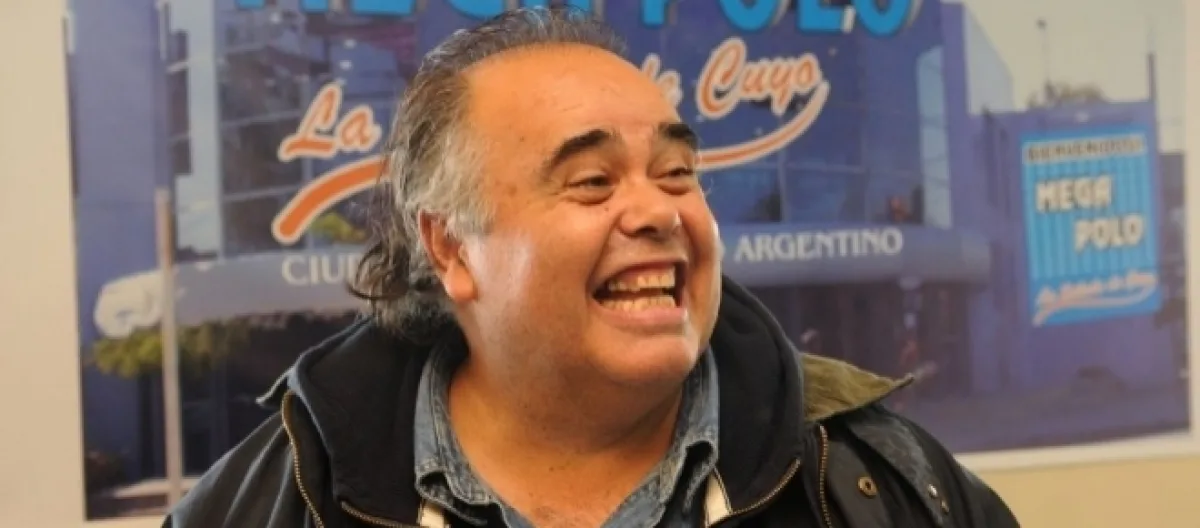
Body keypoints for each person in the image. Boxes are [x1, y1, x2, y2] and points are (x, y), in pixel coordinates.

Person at [165, 8, 1018, 528]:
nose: (658, 212)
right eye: (592, 181)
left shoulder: (877, 483)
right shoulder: (274, 501)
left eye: (677, 173)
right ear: (452, 249)